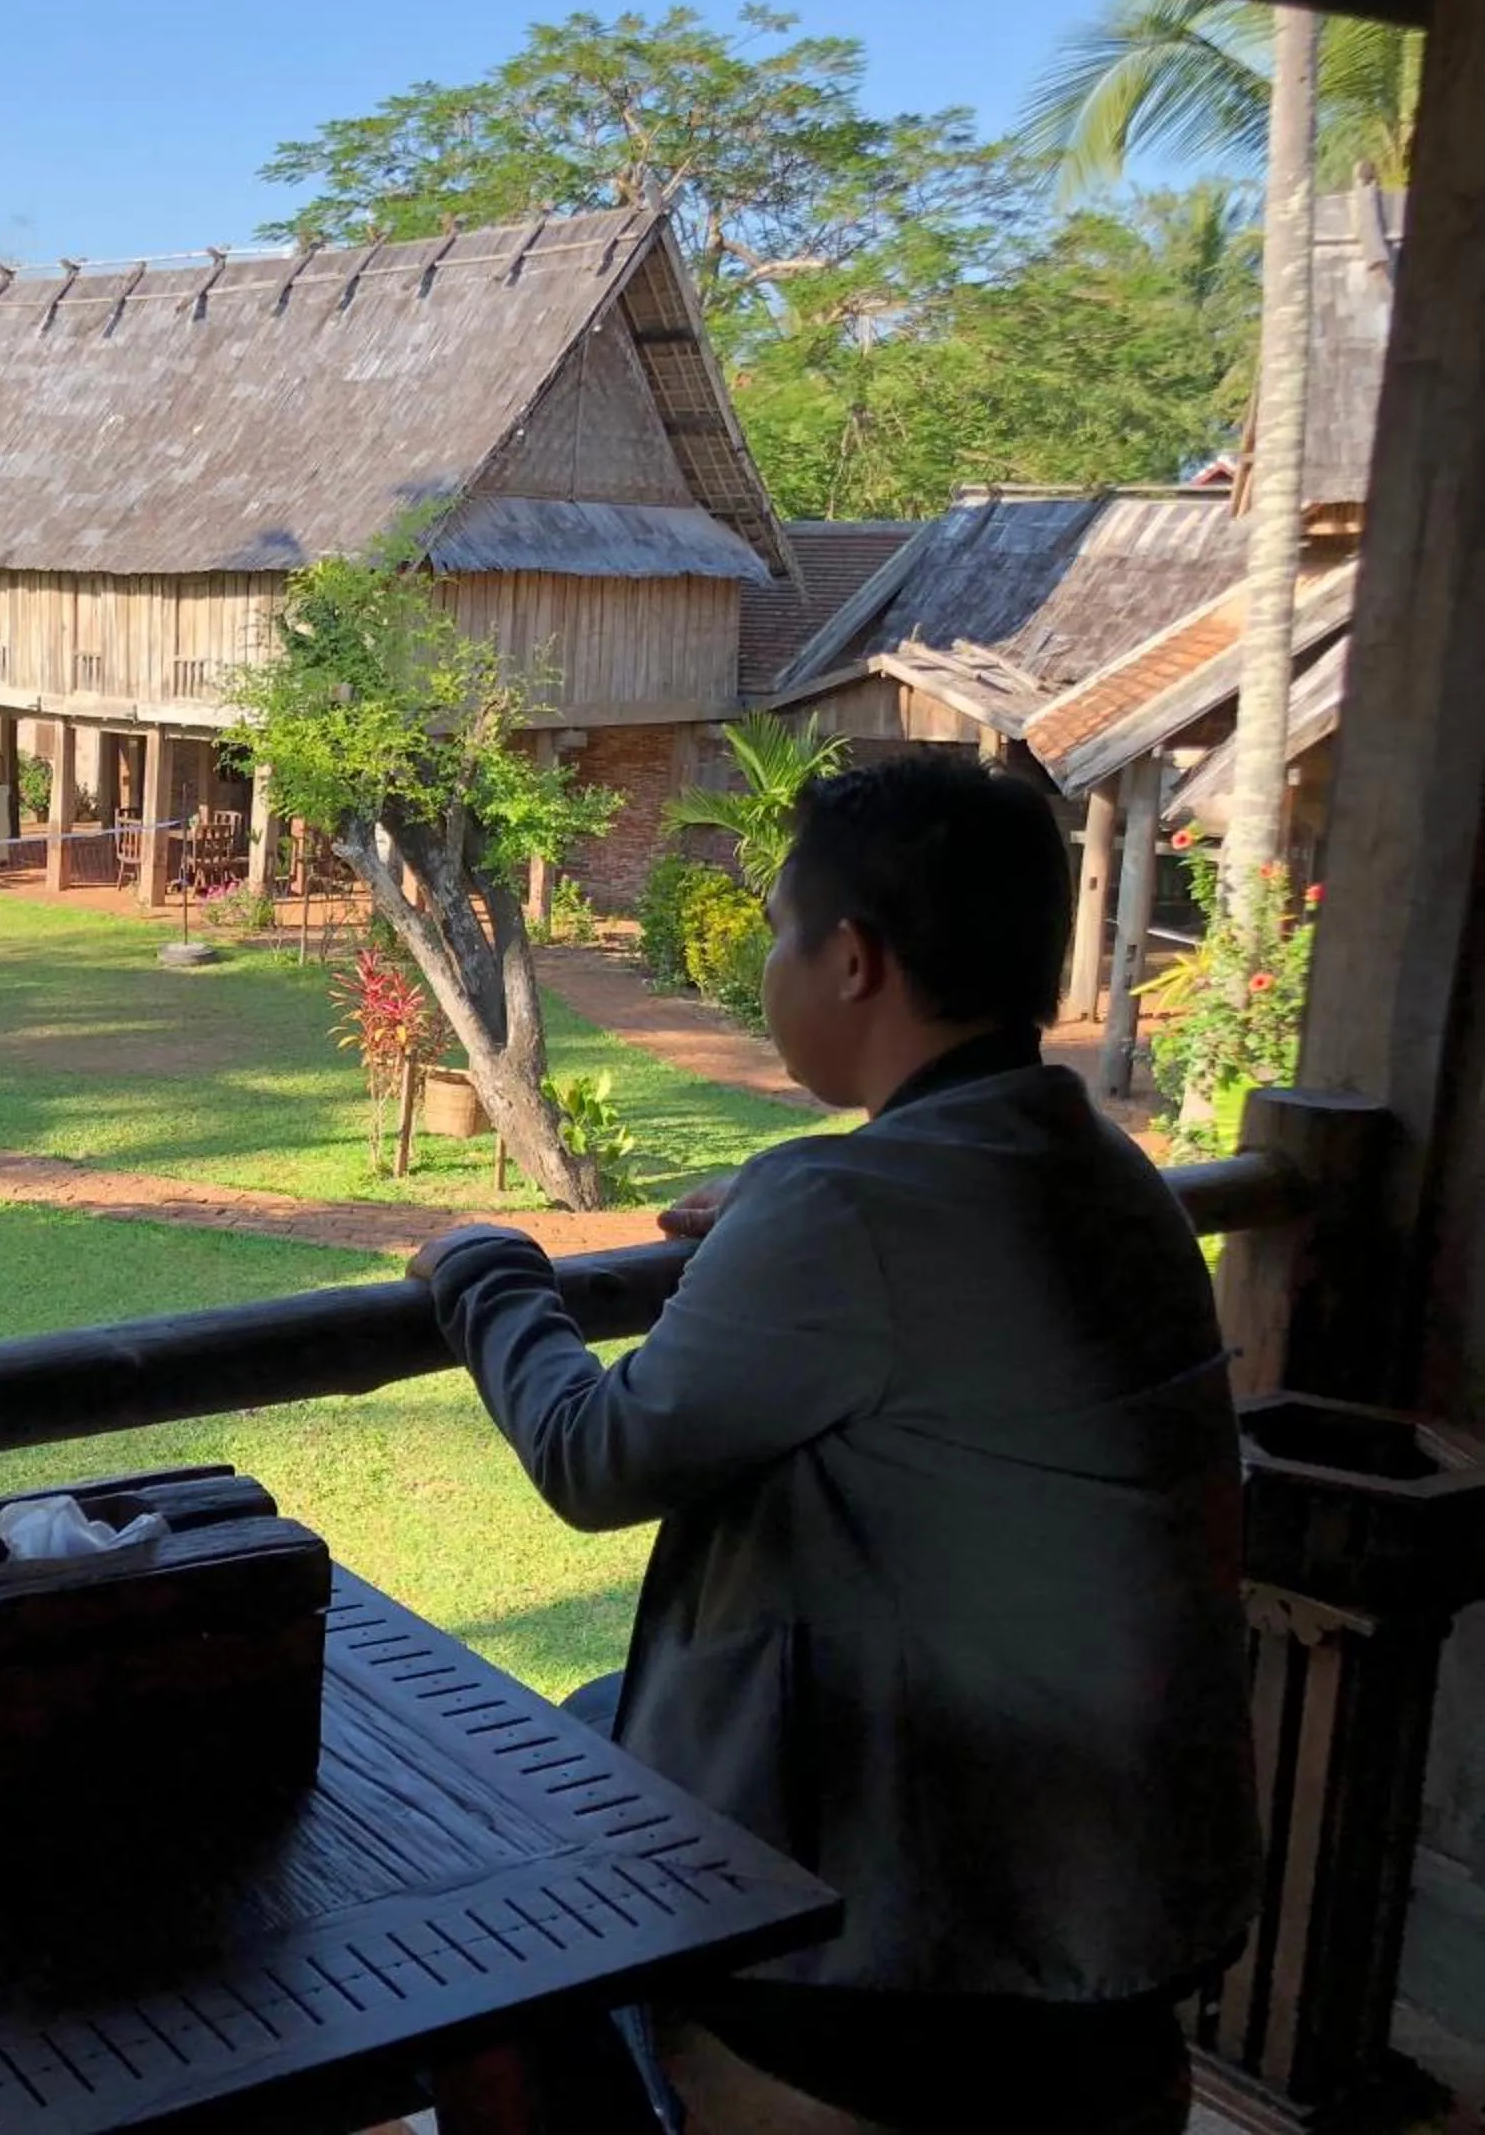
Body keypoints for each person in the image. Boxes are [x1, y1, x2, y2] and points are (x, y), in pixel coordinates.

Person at [412, 755, 1260, 2135]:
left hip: (922, 1967)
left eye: (776, 931)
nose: (765, 961)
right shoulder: (1105, 1172)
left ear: (853, 960)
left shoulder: (848, 1211)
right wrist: (771, 1201)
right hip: (1115, 1914)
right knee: (584, 1732)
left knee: (516, 1858)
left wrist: (485, 1269)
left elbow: (595, 1453)